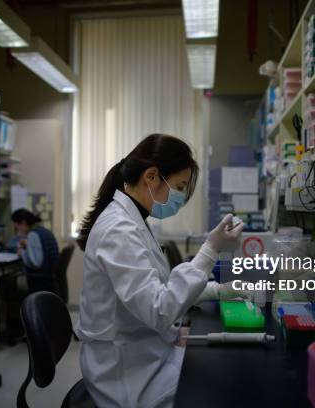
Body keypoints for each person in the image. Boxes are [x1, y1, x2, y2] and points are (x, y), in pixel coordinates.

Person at [76, 134, 252, 408]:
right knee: (223, 388)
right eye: (180, 186)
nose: (180, 198)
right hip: (124, 371)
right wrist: (210, 250)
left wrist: (219, 290)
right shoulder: (117, 229)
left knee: (218, 372)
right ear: (151, 176)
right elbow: (160, 310)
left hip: (140, 352)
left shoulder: (133, 221)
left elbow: (161, 288)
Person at [11, 209, 60, 294]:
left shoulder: (33, 234)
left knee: (10, 282)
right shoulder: (44, 231)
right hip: (50, 279)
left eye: (16, 226)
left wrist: (22, 253)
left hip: (39, 282)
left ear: (23, 222)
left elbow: (35, 263)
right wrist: (28, 247)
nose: (17, 230)